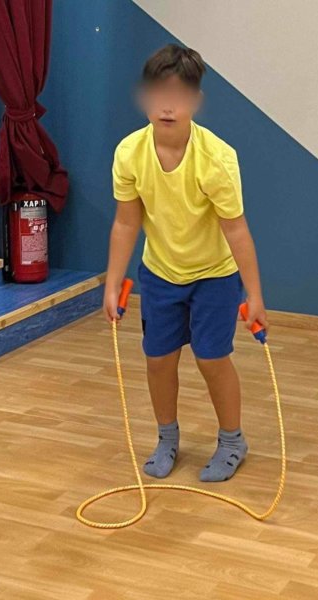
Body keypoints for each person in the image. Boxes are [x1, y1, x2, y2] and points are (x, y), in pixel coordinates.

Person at [103, 43, 269, 482]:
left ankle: (232, 441)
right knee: (158, 359)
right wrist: (112, 282)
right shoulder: (129, 153)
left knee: (212, 359)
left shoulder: (217, 159)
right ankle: (167, 439)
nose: (167, 106)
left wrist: (253, 294)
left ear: (195, 101)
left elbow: (237, 230)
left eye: (178, 96)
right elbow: (126, 222)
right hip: (160, 273)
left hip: (213, 276)